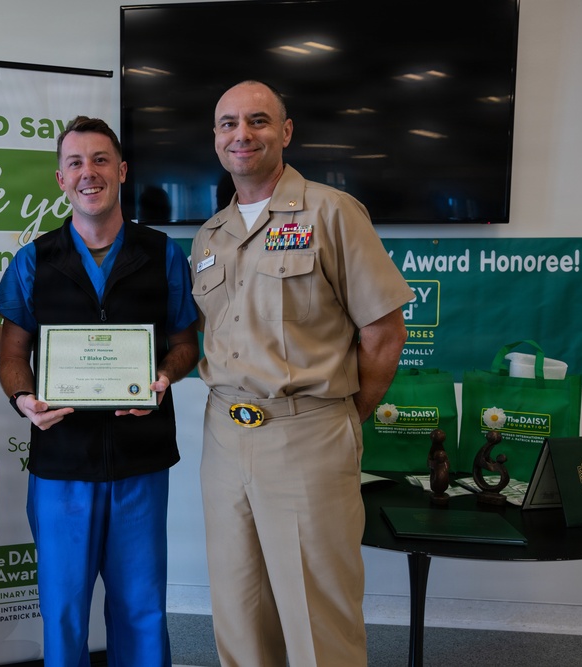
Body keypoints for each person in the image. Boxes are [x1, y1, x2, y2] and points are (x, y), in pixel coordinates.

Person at [191, 81, 413, 666]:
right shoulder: (209, 236)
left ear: (285, 132)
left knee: (318, 617)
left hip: (307, 435)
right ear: (215, 139)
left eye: (258, 121)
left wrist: (340, 415)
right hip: (223, 434)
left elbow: (385, 333)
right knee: (238, 610)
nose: (243, 134)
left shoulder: (332, 212)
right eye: (229, 124)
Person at [0, 116, 199, 667]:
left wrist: (164, 377)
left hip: (141, 460)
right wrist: (23, 401)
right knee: (62, 609)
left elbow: (185, 343)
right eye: (77, 163)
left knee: (141, 607)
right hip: (61, 465)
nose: (90, 172)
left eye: (101, 160)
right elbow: (12, 356)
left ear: (122, 171)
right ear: (61, 178)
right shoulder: (34, 259)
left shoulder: (163, 254)